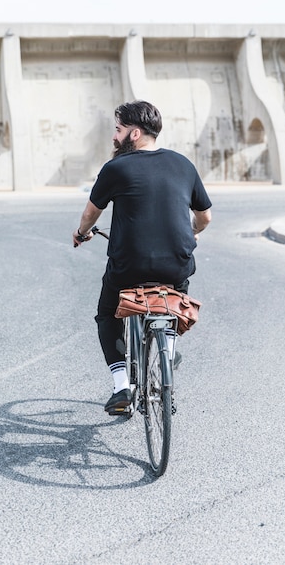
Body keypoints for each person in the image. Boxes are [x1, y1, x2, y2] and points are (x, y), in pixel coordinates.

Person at [73, 100, 212, 413]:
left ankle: (121, 385)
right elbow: (205, 217)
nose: (114, 136)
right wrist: (191, 233)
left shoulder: (116, 168)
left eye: (118, 129)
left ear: (134, 134)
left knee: (107, 314)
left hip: (129, 266)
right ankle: (168, 355)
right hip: (175, 264)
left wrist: (81, 233)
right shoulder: (183, 164)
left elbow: (90, 213)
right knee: (177, 296)